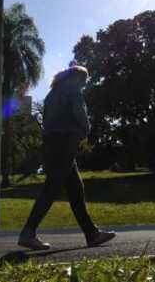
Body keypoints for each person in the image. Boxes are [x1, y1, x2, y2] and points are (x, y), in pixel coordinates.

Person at [18, 64, 116, 250]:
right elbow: (80, 112)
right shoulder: (72, 90)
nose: (84, 84)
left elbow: (45, 121)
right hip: (65, 143)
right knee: (52, 187)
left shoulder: (51, 94)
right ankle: (28, 232)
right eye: (84, 80)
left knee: (76, 190)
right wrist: (86, 130)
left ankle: (92, 234)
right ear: (76, 78)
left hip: (52, 143)